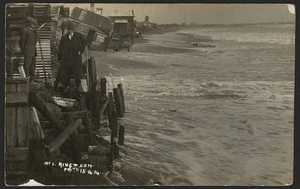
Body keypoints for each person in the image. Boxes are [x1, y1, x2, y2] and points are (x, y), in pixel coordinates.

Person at [58, 21, 87, 91]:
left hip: (76, 58)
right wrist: (59, 58)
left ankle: (78, 87)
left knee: (77, 73)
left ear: (73, 30)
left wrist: (81, 50)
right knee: (66, 72)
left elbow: (85, 42)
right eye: (69, 30)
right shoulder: (64, 38)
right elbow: (60, 48)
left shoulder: (78, 36)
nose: (70, 31)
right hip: (67, 58)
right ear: (68, 30)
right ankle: (65, 86)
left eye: (71, 30)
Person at [19, 17, 38, 81]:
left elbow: (35, 41)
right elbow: (21, 42)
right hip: (27, 51)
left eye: (34, 24)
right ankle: (27, 79)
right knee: (27, 66)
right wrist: (25, 50)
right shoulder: (25, 30)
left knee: (33, 66)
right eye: (33, 24)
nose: (34, 25)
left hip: (33, 51)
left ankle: (32, 79)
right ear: (29, 23)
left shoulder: (33, 31)